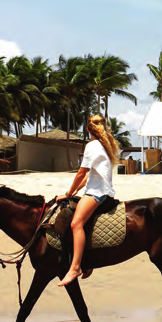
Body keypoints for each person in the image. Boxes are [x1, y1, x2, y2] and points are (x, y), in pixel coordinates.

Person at [56, 114, 119, 286]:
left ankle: (75, 267)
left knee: (76, 224)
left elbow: (81, 173)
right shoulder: (105, 145)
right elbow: (89, 177)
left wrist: (69, 193)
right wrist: (72, 192)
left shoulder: (92, 145)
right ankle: (87, 260)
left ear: (87, 129)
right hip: (101, 190)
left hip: (97, 192)